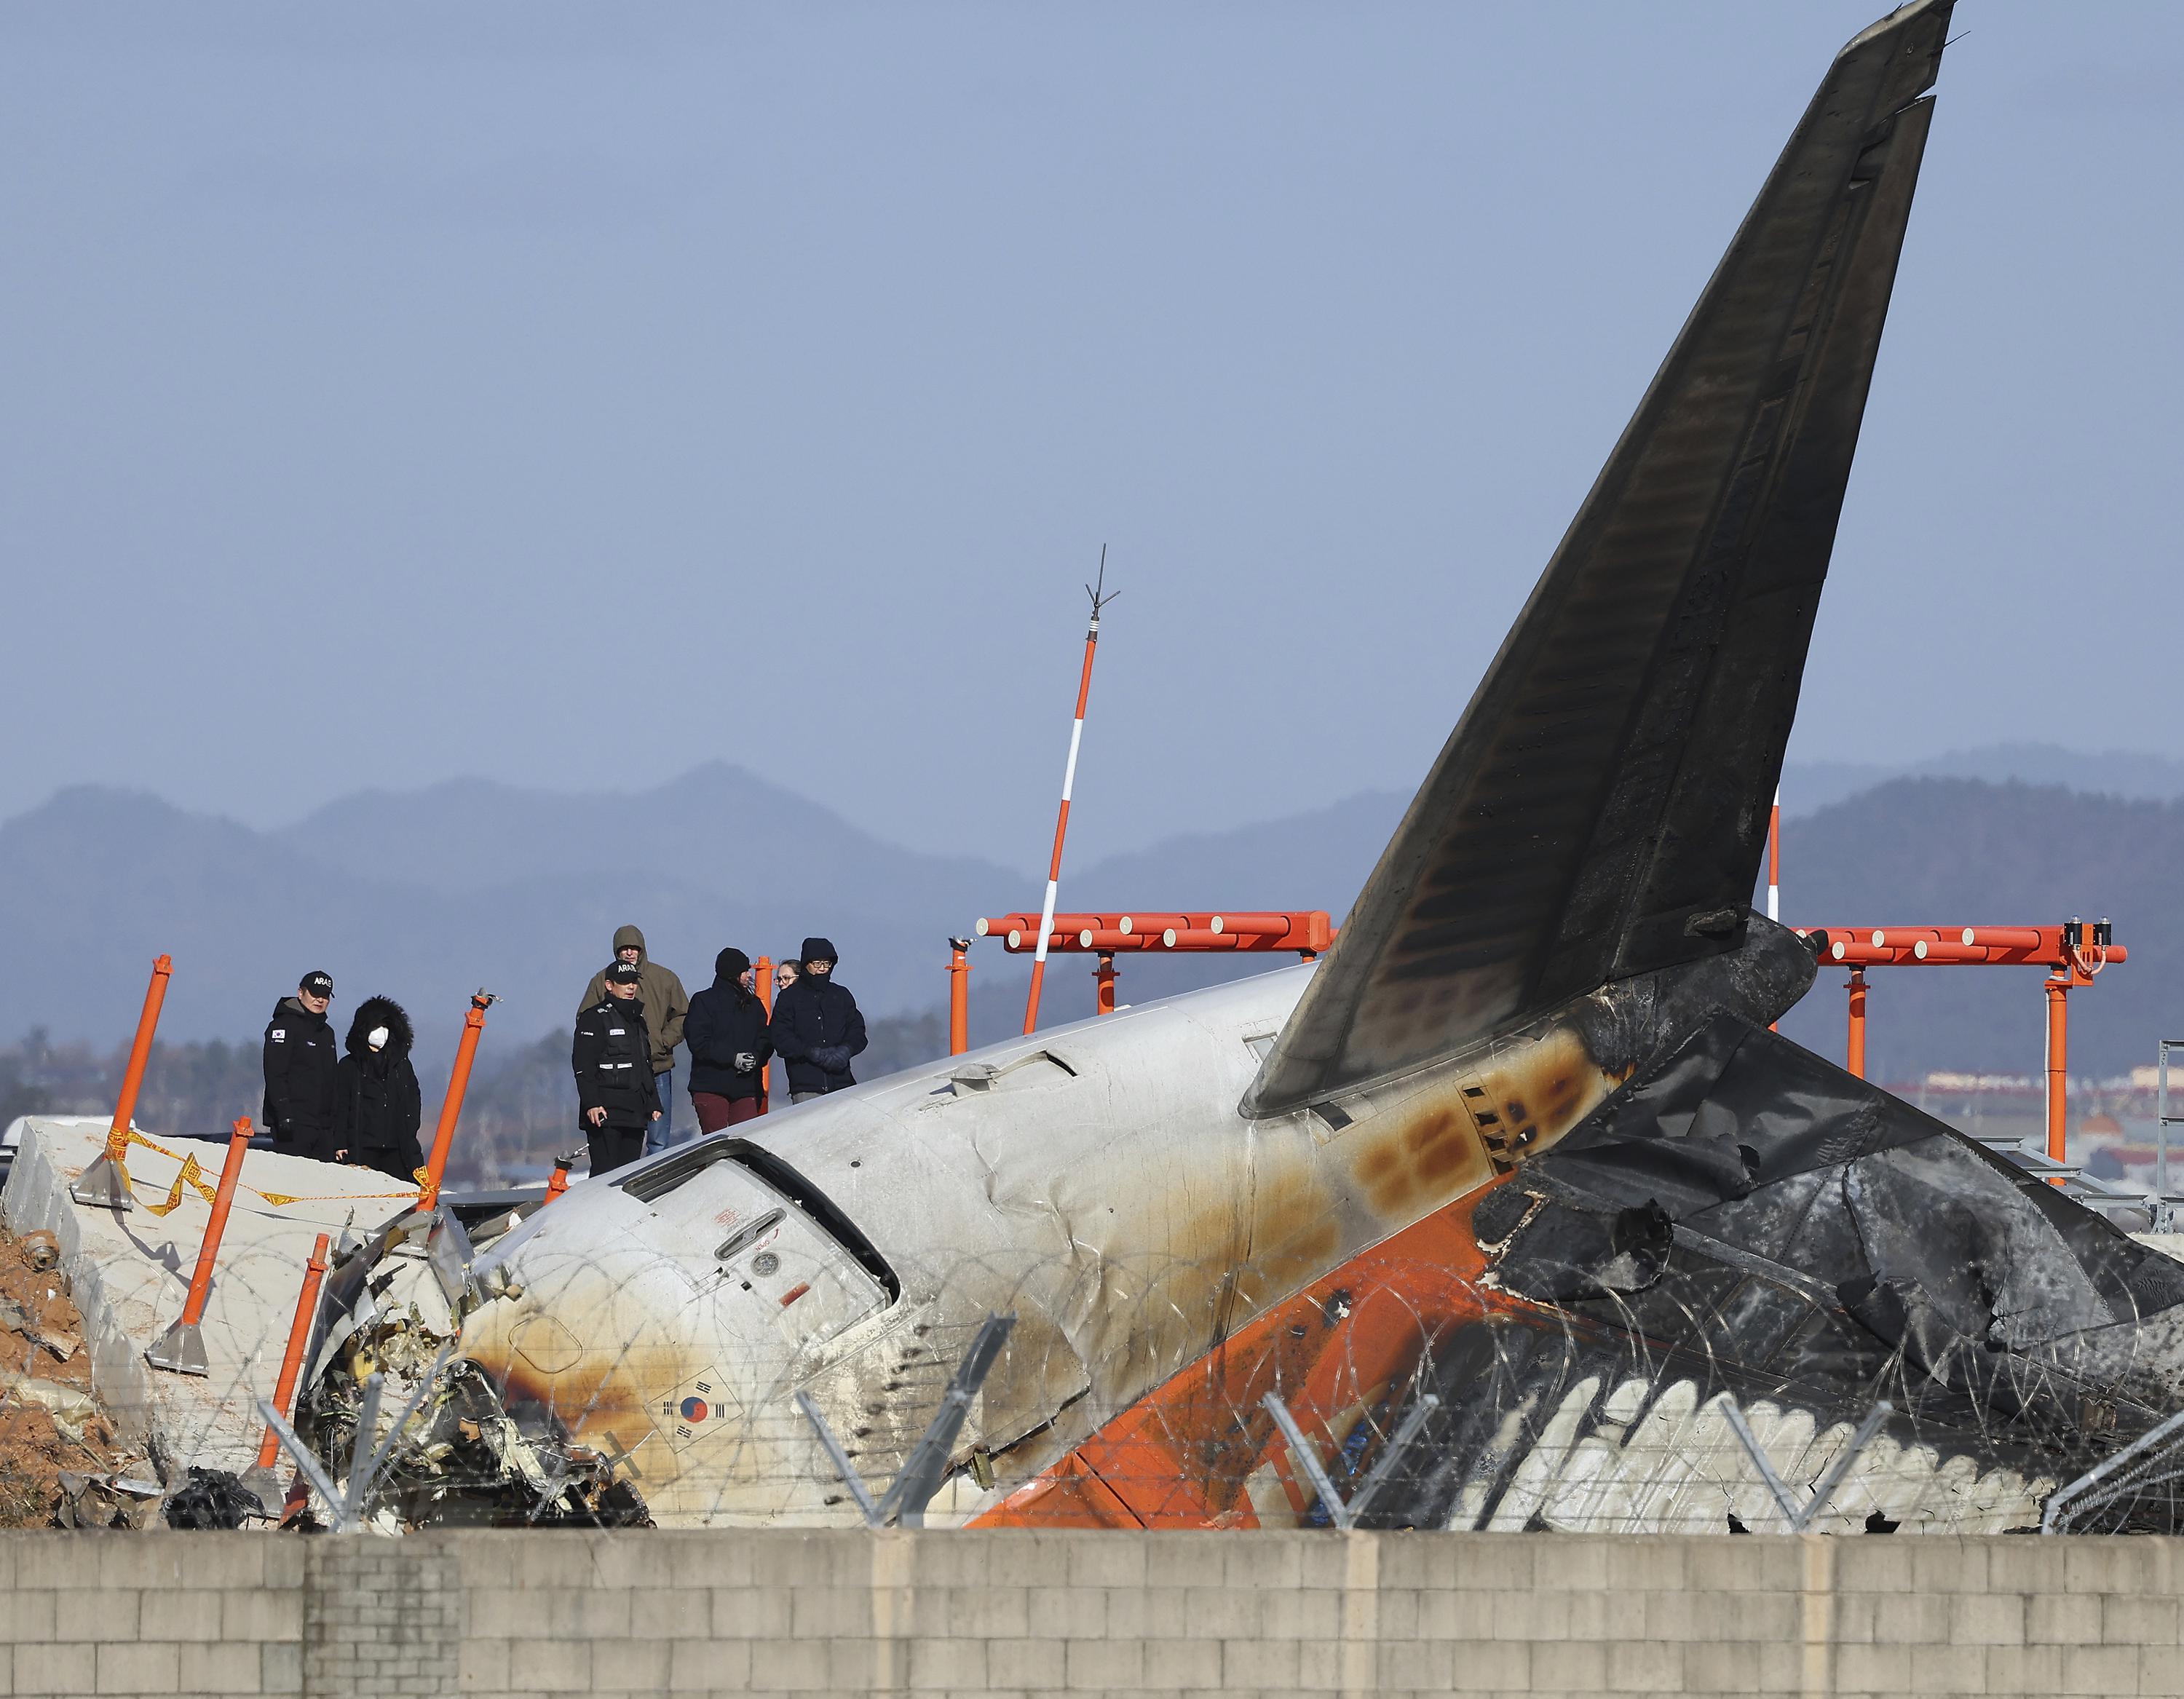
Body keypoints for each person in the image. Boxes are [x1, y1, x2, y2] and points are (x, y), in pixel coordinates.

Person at [577, 925, 689, 1155]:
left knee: (658, 1140)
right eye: (624, 948)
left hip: (657, 1067)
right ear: (616, 951)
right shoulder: (601, 981)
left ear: (642, 949)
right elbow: (585, 1019)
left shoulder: (665, 978)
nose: (629, 953)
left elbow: (683, 1015)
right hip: (617, 1077)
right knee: (624, 1139)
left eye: (634, 948)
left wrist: (661, 1042)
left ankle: (656, 1184)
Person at [572, 960, 662, 1174]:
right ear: (609, 986)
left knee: (628, 1177)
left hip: (635, 1113)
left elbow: (645, 1064)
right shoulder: (593, 1018)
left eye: (634, 982)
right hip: (605, 1113)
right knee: (604, 1176)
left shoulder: (638, 1019)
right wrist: (592, 1103)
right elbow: (583, 1065)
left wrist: (653, 1102)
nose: (631, 987)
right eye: (624, 982)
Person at [330, 997, 425, 1182]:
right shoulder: (350, 1066)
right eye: (375, 1026)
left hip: (397, 1148)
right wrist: (340, 1143)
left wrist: (410, 1129)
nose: (380, 1032)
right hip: (362, 1147)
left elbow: (413, 1100)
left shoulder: (401, 1065)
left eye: (385, 1026)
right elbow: (340, 1106)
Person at [767, 937, 867, 1103]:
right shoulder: (788, 998)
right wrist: (811, 1052)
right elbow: (781, 1037)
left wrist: (846, 1050)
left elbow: (857, 1031)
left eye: (826, 964)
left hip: (842, 1083)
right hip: (806, 1085)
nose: (822, 969)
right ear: (806, 964)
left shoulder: (841, 995)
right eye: (817, 964)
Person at [684, 948, 772, 1133]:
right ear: (733, 974)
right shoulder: (703, 1001)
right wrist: (733, 1058)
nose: (749, 975)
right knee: (716, 1143)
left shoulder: (754, 1005)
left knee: (745, 1140)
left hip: (746, 1087)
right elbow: (698, 1042)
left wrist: (757, 1057)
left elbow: (765, 1037)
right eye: (744, 971)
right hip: (711, 1086)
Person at [263, 970, 339, 1160]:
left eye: (325, 996)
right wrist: (284, 1114)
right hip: (293, 1122)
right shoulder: (284, 1025)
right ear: (301, 993)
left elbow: (332, 1079)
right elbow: (275, 1073)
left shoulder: (327, 1033)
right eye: (315, 994)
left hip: (322, 1125)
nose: (320, 1000)